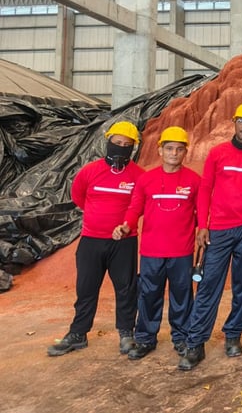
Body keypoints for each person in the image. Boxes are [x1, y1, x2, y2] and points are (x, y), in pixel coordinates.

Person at [178, 102, 242, 371]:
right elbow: (205, 189)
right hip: (218, 230)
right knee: (209, 285)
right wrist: (202, 225)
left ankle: (233, 335)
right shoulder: (218, 153)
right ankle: (195, 342)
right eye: (240, 120)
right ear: (234, 123)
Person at [48, 121, 144, 357]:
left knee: (126, 288)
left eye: (127, 145)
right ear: (108, 142)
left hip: (124, 241)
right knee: (86, 288)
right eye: (117, 143)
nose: (121, 148)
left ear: (133, 148)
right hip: (91, 240)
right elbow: (78, 197)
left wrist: (124, 226)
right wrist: (98, 218)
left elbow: (139, 205)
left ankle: (126, 333)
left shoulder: (139, 175)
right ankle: (78, 333)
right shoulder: (90, 171)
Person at [112, 126, 201, 360]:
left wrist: (204, 229)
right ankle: (145, 338)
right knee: (149, 294)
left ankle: (181, 337)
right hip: (152, 250)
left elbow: (202, 213)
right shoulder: (146, 179)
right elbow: (134, 208)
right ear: (160, 150)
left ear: (185, 153)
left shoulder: (194, 180)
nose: (174, 153)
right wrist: (126, 225)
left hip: (181, 251)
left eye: (179, 149)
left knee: (181, 296)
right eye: (169, 148)